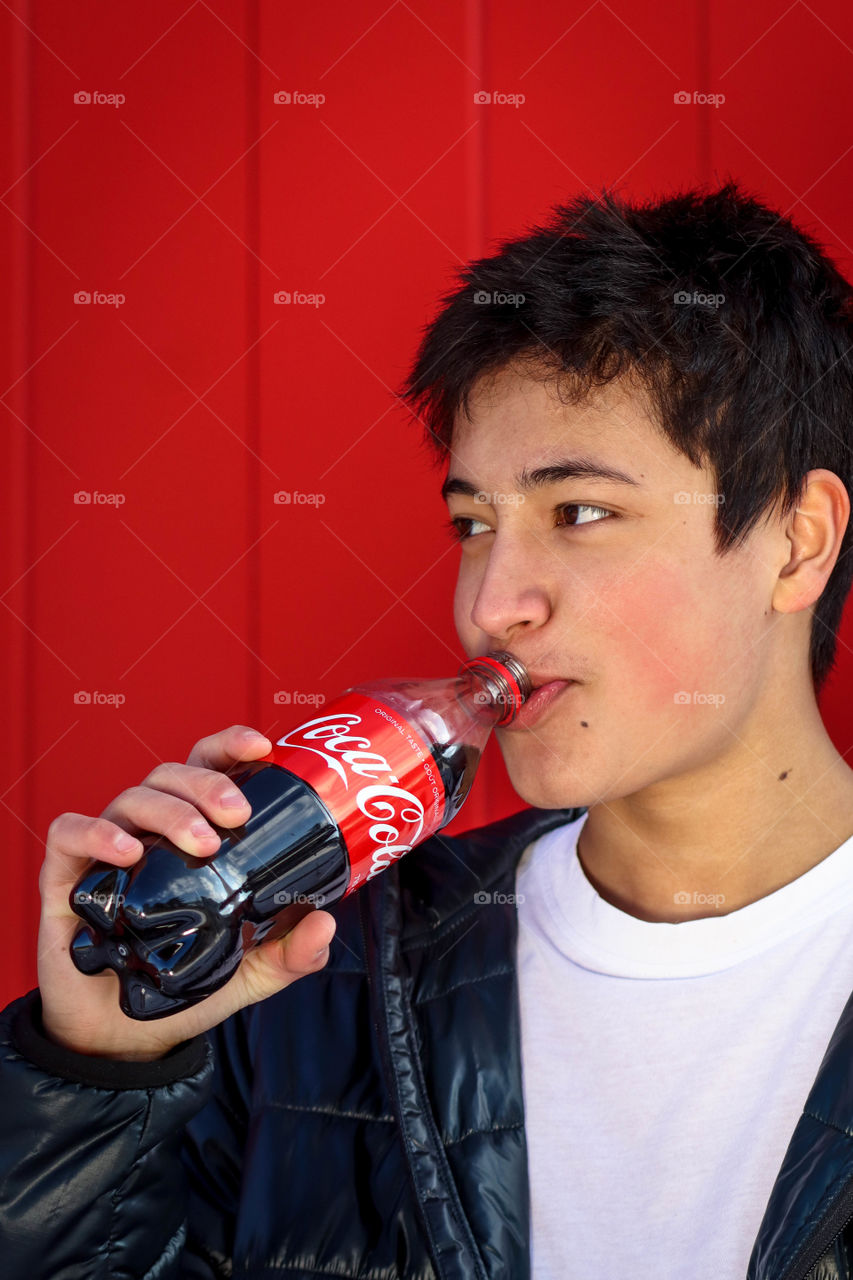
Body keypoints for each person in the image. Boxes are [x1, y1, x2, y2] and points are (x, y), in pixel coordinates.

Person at [1, 179, 853, 1280]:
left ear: (796, 541)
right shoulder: (315, 967)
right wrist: (101, 1075)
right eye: (471, 522)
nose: (492, 601)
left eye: (578, 511)